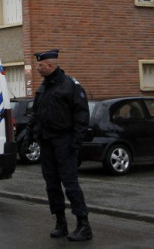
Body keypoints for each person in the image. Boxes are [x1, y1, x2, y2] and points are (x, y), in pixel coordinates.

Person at [28, 49, 92, 242]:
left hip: (64, 142)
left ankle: (83, 225)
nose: (37, 68)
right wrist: (30, 136)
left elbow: (82, 115)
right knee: (52, 185)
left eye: (40, 65)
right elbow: (37, 113)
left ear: (50, 65)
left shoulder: (69, 86)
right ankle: (60, 222)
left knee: (70, 185)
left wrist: (75, 142)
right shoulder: (44, 87)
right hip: (47, 142)